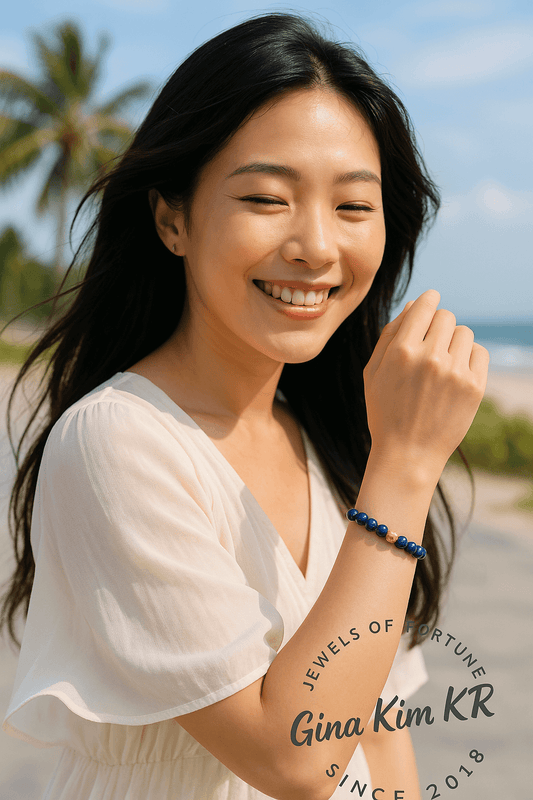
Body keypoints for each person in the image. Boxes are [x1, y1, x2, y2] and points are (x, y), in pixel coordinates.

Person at [0, 12, 488, 800]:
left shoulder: (333, 443)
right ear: (172, 218)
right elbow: (294, 759)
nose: (316, 246)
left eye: (354, 208)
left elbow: (376, 729)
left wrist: (389, 456)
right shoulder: (118, 440)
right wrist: (406, 461)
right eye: (267, 197)